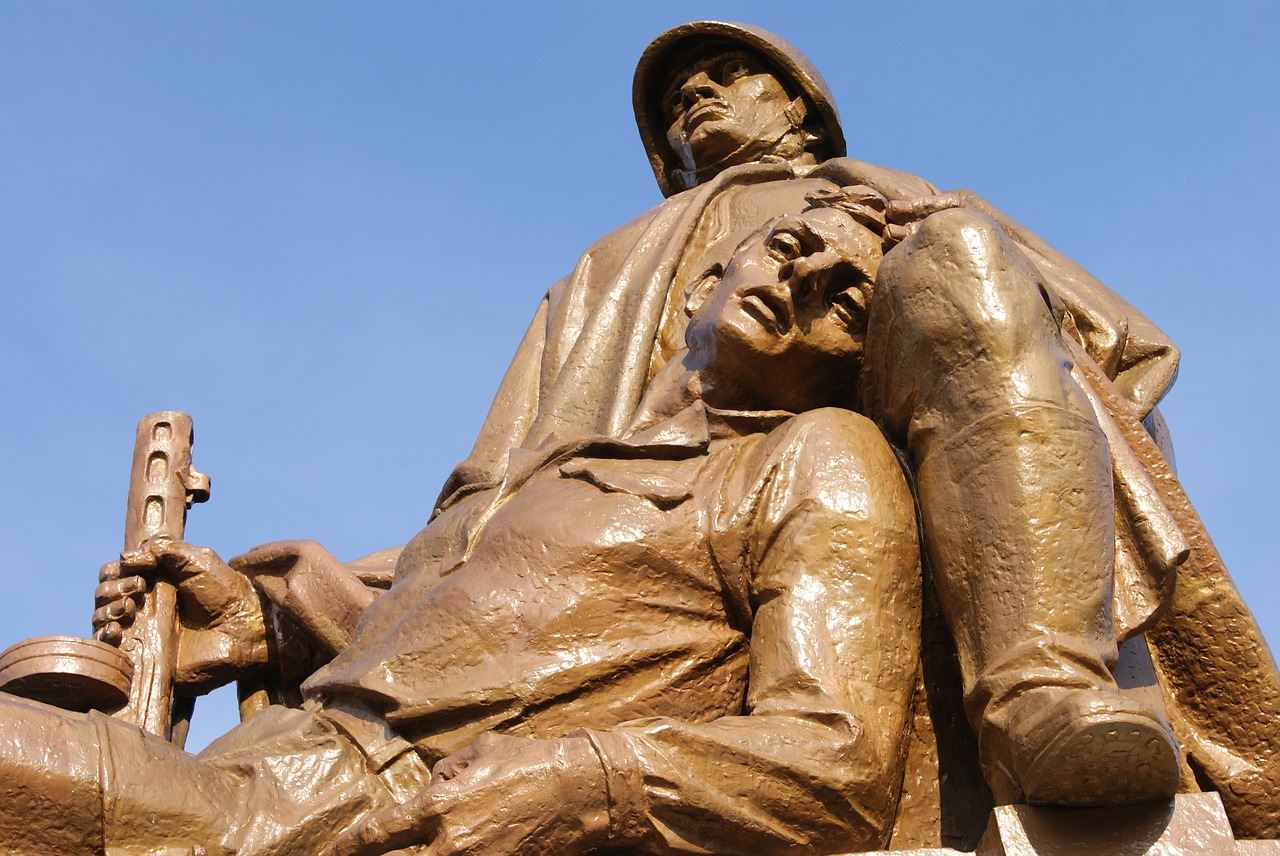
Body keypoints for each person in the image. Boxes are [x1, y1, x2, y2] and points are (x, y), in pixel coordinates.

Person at [0, 192, 926, 856]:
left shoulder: (817, 457)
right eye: (789, 246)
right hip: (270, 764)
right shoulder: (557, 469)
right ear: (702, 290)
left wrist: (584, 784)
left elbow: (833, 754)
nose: (804, 278)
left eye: (845, 299)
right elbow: (468, 652)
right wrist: (256, 620)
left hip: (372, 808)